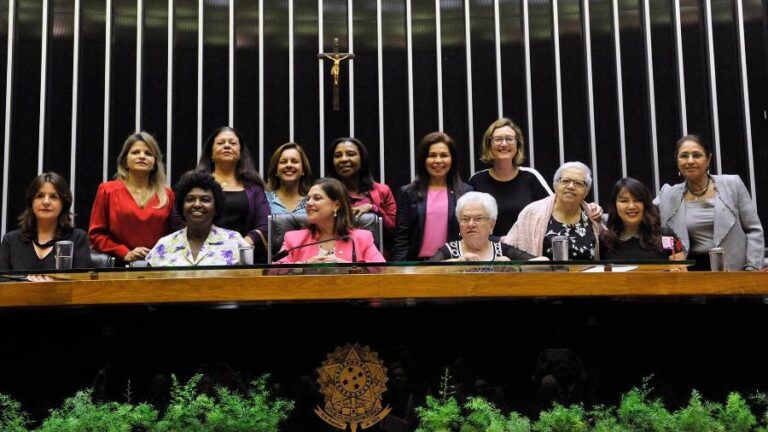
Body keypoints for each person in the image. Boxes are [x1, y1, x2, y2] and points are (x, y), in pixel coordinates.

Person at [656, 135, 763, 270]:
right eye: (684, 156)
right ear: (677, 161)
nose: (690, 161)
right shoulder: (668, 194)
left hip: (735, 273)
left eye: (696, 155)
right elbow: (644, 215)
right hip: (688, 275)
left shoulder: (732, 185)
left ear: (708, 159)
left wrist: (752, 269)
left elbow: (754, 230)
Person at [89, 132, 174, 264]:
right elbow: (96, 235)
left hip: (158, 266)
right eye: (135, 152)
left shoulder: (167, 194)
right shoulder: (107, 190)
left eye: (148, 153)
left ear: (155, 162)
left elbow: (174, 236)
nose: (142, 156)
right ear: (125, 160)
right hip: (118, 266)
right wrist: (124, 252)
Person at [392, 132, 473, 261]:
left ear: (452, 159)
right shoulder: (408, 192)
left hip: (455, 263)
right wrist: (398, 271)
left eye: (444, 155)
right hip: (417, 267)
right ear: (424, 160)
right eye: (432, 155)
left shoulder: (466, 192)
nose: (438, 160)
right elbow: (402, 238)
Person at [193, 126, 271, 259]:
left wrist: (241, 245)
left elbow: (265, 224)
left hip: (244, 254)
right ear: (211, 153)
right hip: (202, 254)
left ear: (240, 153)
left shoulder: (254, 187)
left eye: (233, 143)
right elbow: (179, 219)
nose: (227, 146)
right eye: (221, 143)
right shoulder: (195, 183)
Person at [468, 118, 552, 236]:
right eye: (498, 139)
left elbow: (553, 212)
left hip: (527, 251)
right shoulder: (477, 181)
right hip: (490, 251)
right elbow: (467, 221)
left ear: (517, 144)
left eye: (509, 139)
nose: (504, 144)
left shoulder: (531, 177)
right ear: (489, 144)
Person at [146, 171, 250, 266]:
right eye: (190, 199)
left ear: (216, 207)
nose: (197, 204)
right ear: (182, 207)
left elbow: (250, 282)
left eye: (205, 200)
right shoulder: (164, 244)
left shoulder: (235, 241)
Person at [502, 161, 602, 259]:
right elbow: (509, 248)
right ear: (555, 186)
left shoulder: (593, 214)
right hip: (543, 275)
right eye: (565, 181)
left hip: (587, 275)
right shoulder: (532, 212)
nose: (571, 186)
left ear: (586, 191)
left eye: (578, 183)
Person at [276, 178, 385, 264]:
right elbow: (274, 271)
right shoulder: (293, 239)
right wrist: (305, 265)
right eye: (308, 199)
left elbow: (381, 269)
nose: (309, 203)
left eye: (317, 198)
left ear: (336, 205)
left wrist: (345, 266)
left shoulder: (362, 238)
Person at [0, 173, 90, 271]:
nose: (46, 202)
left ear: (64, 203)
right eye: (40, 196)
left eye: (53, 197)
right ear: (31, 202)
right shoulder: (10, 241)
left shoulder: (78, 239)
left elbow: (81, 283)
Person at [429, 192, 535, 262]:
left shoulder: (503, 250)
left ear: (491, 225)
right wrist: (453, 266)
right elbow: (422, 271)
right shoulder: (448, 251)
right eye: (465, 219)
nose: (471, 224)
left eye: (478, 219)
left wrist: (515, 268)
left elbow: (543, 263)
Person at [327, 137, 397, 237]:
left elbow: (394, 229)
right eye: (338, 156)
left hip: (375, 251)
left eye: (351, 154)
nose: (343, 159)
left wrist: (373, 208)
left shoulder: (382, 190)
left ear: (362, 158)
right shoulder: (325, 192)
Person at [600, 177, 684, 261]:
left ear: (645, 204)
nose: (631, 206)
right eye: (624, 201)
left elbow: (681, 272)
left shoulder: (667, 237)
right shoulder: (605, 241)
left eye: (637, 200)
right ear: (614, 205)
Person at [265, 142, 312, 215]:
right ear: (275, 171)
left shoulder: (311, 202)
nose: (289, 165)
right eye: (283, 162)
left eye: (294, 161)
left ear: (303, 170)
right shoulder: (264, 199)